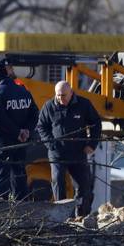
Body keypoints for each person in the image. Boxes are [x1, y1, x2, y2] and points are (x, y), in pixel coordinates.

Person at [36, 81, 101, 217]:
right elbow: (41, 127)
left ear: (71, 93)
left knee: (85, 185)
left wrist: (91, 144)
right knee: (58, 182)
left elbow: (96, 124)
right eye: (58, 96)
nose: (60, 99)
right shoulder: (49, 106)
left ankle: (82, 214)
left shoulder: (83, 104)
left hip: (78, 153)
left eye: (63, 95)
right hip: (57, 154)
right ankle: (63, 216)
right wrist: (51, 144)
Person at [0, 60, 38, 199]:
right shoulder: (23, 90)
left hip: (1, 142)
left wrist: (17, 132)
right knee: (19, 175)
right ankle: (21, 207)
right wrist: (26, 130)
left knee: (0, 178)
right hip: (20, 142)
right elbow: (34, 112)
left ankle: (0, 211)